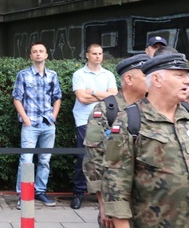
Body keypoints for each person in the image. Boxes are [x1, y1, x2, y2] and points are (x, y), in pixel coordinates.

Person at [102, 53, 189, 227]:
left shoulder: (187, 114)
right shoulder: (130, 120)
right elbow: (116, 181)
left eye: (187, 75)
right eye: (179, 75)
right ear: (156, 80)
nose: (186, 80)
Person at [82, 54, 149, 227]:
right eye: (146, 74)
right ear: (129, 79)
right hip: (117, 198)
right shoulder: (107, 109)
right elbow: (93, 158)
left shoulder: (153, 109)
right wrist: (104, 204)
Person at [12, 42, 62, 209]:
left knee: (45, 160)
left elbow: (57, 97)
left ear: (46, 55)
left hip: (48, 124)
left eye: (41, 51)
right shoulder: (23, 75)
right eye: (35, 52)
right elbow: (17, 98)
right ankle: (23, 194)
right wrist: (25, 119)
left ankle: (40, 191)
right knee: (26, 160)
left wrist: (53, 116)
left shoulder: (52, 75)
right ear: (31, 56)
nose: (38, 54)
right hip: (30, 124)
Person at [71, 43, 118, 209]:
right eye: (95, 53)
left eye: (100, 53)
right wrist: (103, 95)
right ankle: (78, 193)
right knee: (84, 158)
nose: (98, 56)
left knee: (107, 157)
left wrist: (92, 92)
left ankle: (103, 195)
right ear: (87, 55)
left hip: (107, 119)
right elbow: (82, 99)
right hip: (85, 120)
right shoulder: (79, 74)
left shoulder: (108, 75)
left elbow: (114, 96)